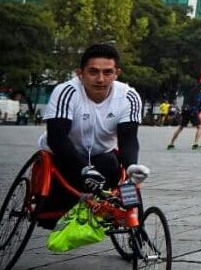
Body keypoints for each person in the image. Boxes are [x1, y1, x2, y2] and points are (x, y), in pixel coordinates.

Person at [37, 43, 145, 227]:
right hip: (63, 155)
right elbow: (57, 137)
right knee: (50, 209)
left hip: (102, 156)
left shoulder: (129, 97)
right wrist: (84, 169)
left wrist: (131, 167)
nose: (100, 79)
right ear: (80, 73)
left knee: (117, 170)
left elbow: (128, 139)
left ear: (117, 73)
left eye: (108, 72)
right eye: (93, 72)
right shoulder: (66, 91)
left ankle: (120, 218)